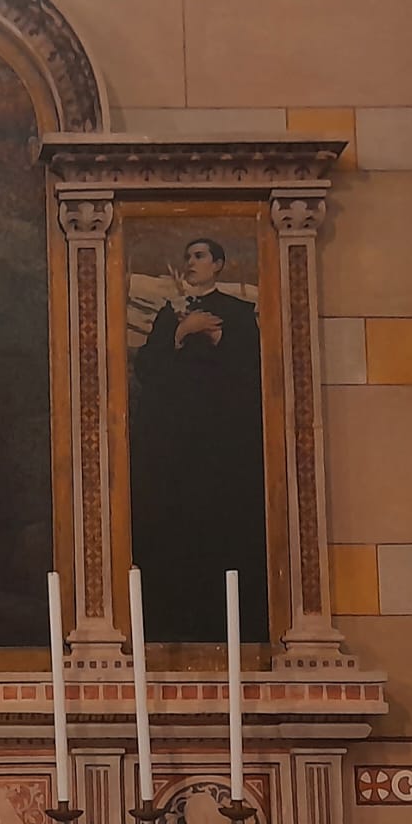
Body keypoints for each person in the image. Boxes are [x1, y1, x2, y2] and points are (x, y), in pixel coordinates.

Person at [130, 237, 270, 643]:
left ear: (218, 265)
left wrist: (217, 340)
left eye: (199, 256)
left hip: (221, 441)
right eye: (187, 256)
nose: (191, 262)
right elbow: (148, 368)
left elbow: (253, 369)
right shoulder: (169, 314)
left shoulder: (238, 312)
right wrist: (181, 332)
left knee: (220, 524)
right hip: (175, 439)